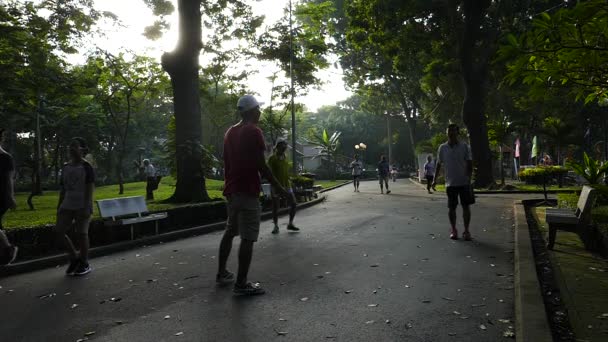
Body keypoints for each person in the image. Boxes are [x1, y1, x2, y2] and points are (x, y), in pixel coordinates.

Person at [217, 94, 294, 296]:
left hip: (232, 191)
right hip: (248, 190)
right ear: (252, 111)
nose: (260, 112)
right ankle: (241, 284)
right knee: (248, 237)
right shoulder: (253, 131)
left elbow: (227, 163)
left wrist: (229, 187)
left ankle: (221, 273)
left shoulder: (230, 132)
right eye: (258, 109)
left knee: (230, 231)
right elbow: (262, 165)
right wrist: (279, 188)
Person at [55, 137, 95, 276]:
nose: (71, 149)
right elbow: (63, 188)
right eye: (70, 146)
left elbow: (90, 188)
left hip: (82, 204)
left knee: (82, 233)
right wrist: (59, 205)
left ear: (82, 149)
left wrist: (87, 206)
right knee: (59, 231)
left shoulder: (86, 167)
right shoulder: (66, 167)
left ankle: (84, 262)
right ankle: (74, 258)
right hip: (67, 203)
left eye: (75, 146)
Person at [433, 124, 474, 241]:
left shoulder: (465, 146)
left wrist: (469, 179)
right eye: (449, 131)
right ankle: (454, 229)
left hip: (464, 182)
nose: (451, 133)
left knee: (466, 207)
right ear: (447, 133)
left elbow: (470, 163)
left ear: (457, 132)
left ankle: (466, 230)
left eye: (453, 130)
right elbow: (438, 164)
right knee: (452, 208)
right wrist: (435, 180)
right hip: (450, 183)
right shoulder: (442, 148)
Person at [268, 139, 299, 234]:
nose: (284, 149)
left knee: (293, 203)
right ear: (277, 147)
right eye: (282, 147)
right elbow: (269, 173)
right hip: (276, 186)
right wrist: (273, 185)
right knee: (275, 207)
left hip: (286, 185)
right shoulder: (272, 158)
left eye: (285, 147)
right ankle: (275, 226)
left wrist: (290, 180)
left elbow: (285, 171)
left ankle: (290, 223)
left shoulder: (286, 157)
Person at [0, 128, 18, 265]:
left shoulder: (6, 157)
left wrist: (10, 197)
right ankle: (5, 252)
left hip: (2, 196)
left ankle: (8, 250)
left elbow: (9, 179)